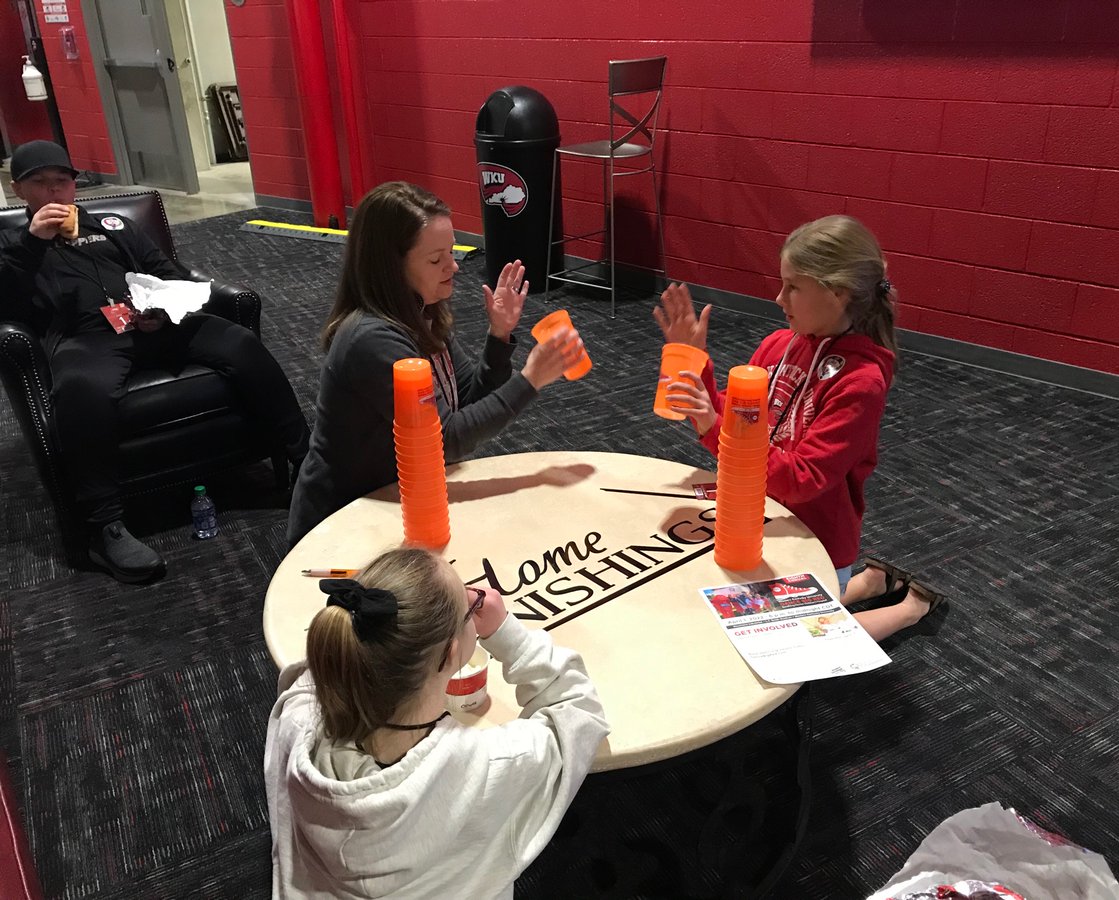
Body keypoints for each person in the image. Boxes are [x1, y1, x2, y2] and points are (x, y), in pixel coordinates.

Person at [0, 141, 310, 583]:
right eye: (40, 183)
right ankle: (104, 526)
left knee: (240, 344)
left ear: (74, 185)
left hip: (152, 324)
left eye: (62, 181)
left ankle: (306, 461)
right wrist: (32, 245)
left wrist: (164, 308)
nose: (54, 192)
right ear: (18, 190)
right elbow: (7, 302)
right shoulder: (14, 244)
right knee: (81, 391)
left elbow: (169, 271)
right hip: (86, 336)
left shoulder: (112, 225)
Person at [656, 215, 944, 642]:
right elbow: (735, 424)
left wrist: (715, 426)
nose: (778, 297)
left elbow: (802, 479)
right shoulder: (778, 344)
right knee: (723, 612)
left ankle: (912, 608)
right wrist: (697, 366)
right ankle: (867, 583)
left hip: (813, 540)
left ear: (838, 293)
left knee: (787, 640)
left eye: (792, 286)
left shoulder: (861, 382)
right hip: (758, 517)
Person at [264, 546, 609, 899]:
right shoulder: (488, 767)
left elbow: (321, 669)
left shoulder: (297, 717)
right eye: (471, 606)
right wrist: (507, 634)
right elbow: (578, 711)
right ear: (451, 652)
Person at [287, 181, 582, 547]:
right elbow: (445, 439)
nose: (454, 266)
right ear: (391, 267)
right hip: (345, 520)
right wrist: (531, 379)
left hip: (400, 499)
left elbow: (468, 400)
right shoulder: (371, 339)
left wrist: (499, 337)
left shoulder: (423, 313)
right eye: (435, 259)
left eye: (452, 252)